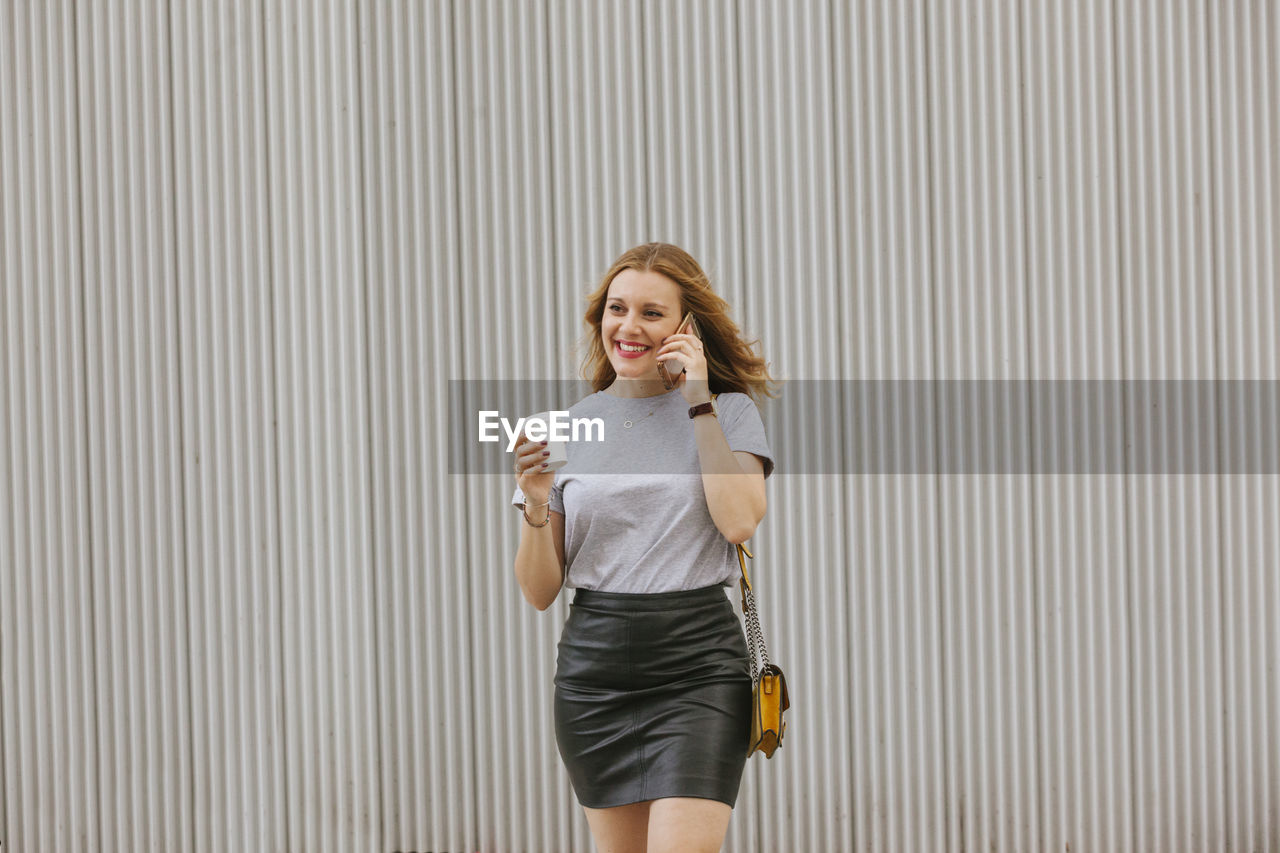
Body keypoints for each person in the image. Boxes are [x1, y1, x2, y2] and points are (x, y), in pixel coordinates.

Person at [510, 242, 779, 853]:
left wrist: (699, 401)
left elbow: (738, 523)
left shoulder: (728, 412)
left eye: (652, 314)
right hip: (595, 678)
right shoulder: (568, 426)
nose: (628, 328)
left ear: (687, 326)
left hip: (698, 670)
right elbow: (538, 591)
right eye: (616, 309)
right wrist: (532, 500)